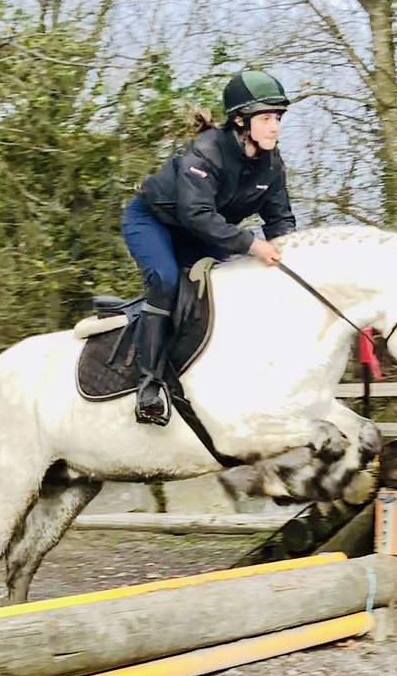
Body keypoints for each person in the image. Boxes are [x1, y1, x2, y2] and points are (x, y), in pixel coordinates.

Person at [121, 69, 298, 426]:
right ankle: (149, 385)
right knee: (167, 280)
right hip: (154, 222)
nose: (274, 127)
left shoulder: (272, 164)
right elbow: (198, 215)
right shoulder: (205, 155)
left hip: (200, 234)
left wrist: (290, 257)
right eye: (266, 118)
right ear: (240, 121)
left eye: (277, 118)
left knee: (225, 291)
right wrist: (253, 245)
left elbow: (280, 220)